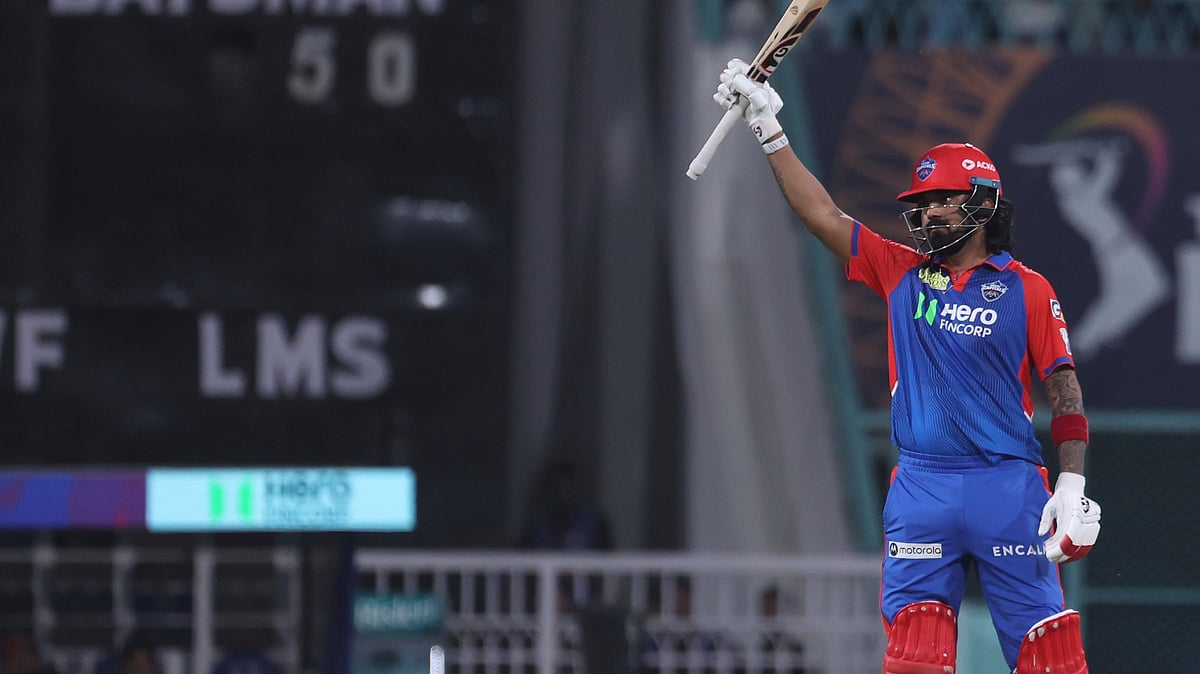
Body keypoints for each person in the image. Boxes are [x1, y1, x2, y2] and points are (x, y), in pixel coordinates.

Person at [710, 60, 1102, 673]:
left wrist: (1073, 482)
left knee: (1047, 653)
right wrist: (768, 126)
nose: (927, 214)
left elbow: (1064, 385)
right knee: (914, 653)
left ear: (981, 203)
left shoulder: (1026, 288)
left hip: (1009, 485)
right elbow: (822, 216)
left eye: (942, 201)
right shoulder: (901, 271)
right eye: (921, 204)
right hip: (922, 485)